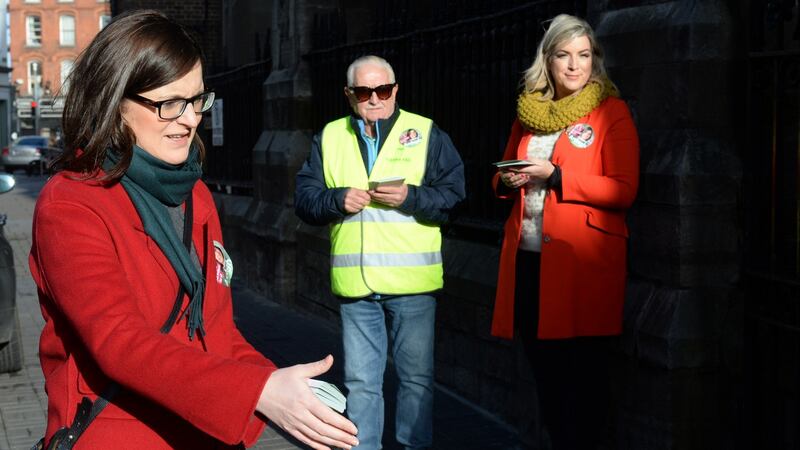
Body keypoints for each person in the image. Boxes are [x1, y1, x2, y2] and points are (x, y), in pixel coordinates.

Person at [29, 10, 358, 450]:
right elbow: (118, 341)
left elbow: (216, 331)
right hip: (122, 434)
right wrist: (256, 392)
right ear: (115, 100)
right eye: (169, 103)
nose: (189, 119)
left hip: (202, 431)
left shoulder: (194, 193)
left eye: (197, 100)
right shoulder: (71, 203)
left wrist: (278, 385)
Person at [295, 55, 465, 449]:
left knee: (416, 381)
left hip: (413, 286)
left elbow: (455, 199)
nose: (374, 99)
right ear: (349, 95)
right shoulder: (331, 136)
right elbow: (304, 198)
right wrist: (336, 200)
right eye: (363, 91)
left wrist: (411, 197)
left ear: (395, 91)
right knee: (361, 384)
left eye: (382, 90)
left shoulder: (425, 132)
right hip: (357, 287)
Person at [491, 14, 639, 450]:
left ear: (595, 60)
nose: (575, 66)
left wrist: (555, 176)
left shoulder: (611, 111)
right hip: (530, 264)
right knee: (547, 379)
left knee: (586, 385)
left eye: (584, 55)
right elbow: (500, 175)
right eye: (564, 55)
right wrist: (508, 181)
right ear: (548, 60)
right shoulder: (529, 112)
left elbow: (623, 189)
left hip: (583, 268)